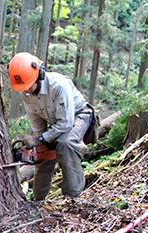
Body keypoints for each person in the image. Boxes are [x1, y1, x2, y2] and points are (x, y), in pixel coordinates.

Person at [8, 52, 94, 200]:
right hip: (57, 125)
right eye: (23, 87)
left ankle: (74, 195)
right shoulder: (26, 93)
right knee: (43, 152)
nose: (26, 90)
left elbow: (67, 123)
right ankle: (38, 198)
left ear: (39, 74)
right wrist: (39, 141)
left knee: (66, 144)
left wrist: (41, 137)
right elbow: (36, 120)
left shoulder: (58, 85)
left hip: (78, 116)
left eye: (28, 85)